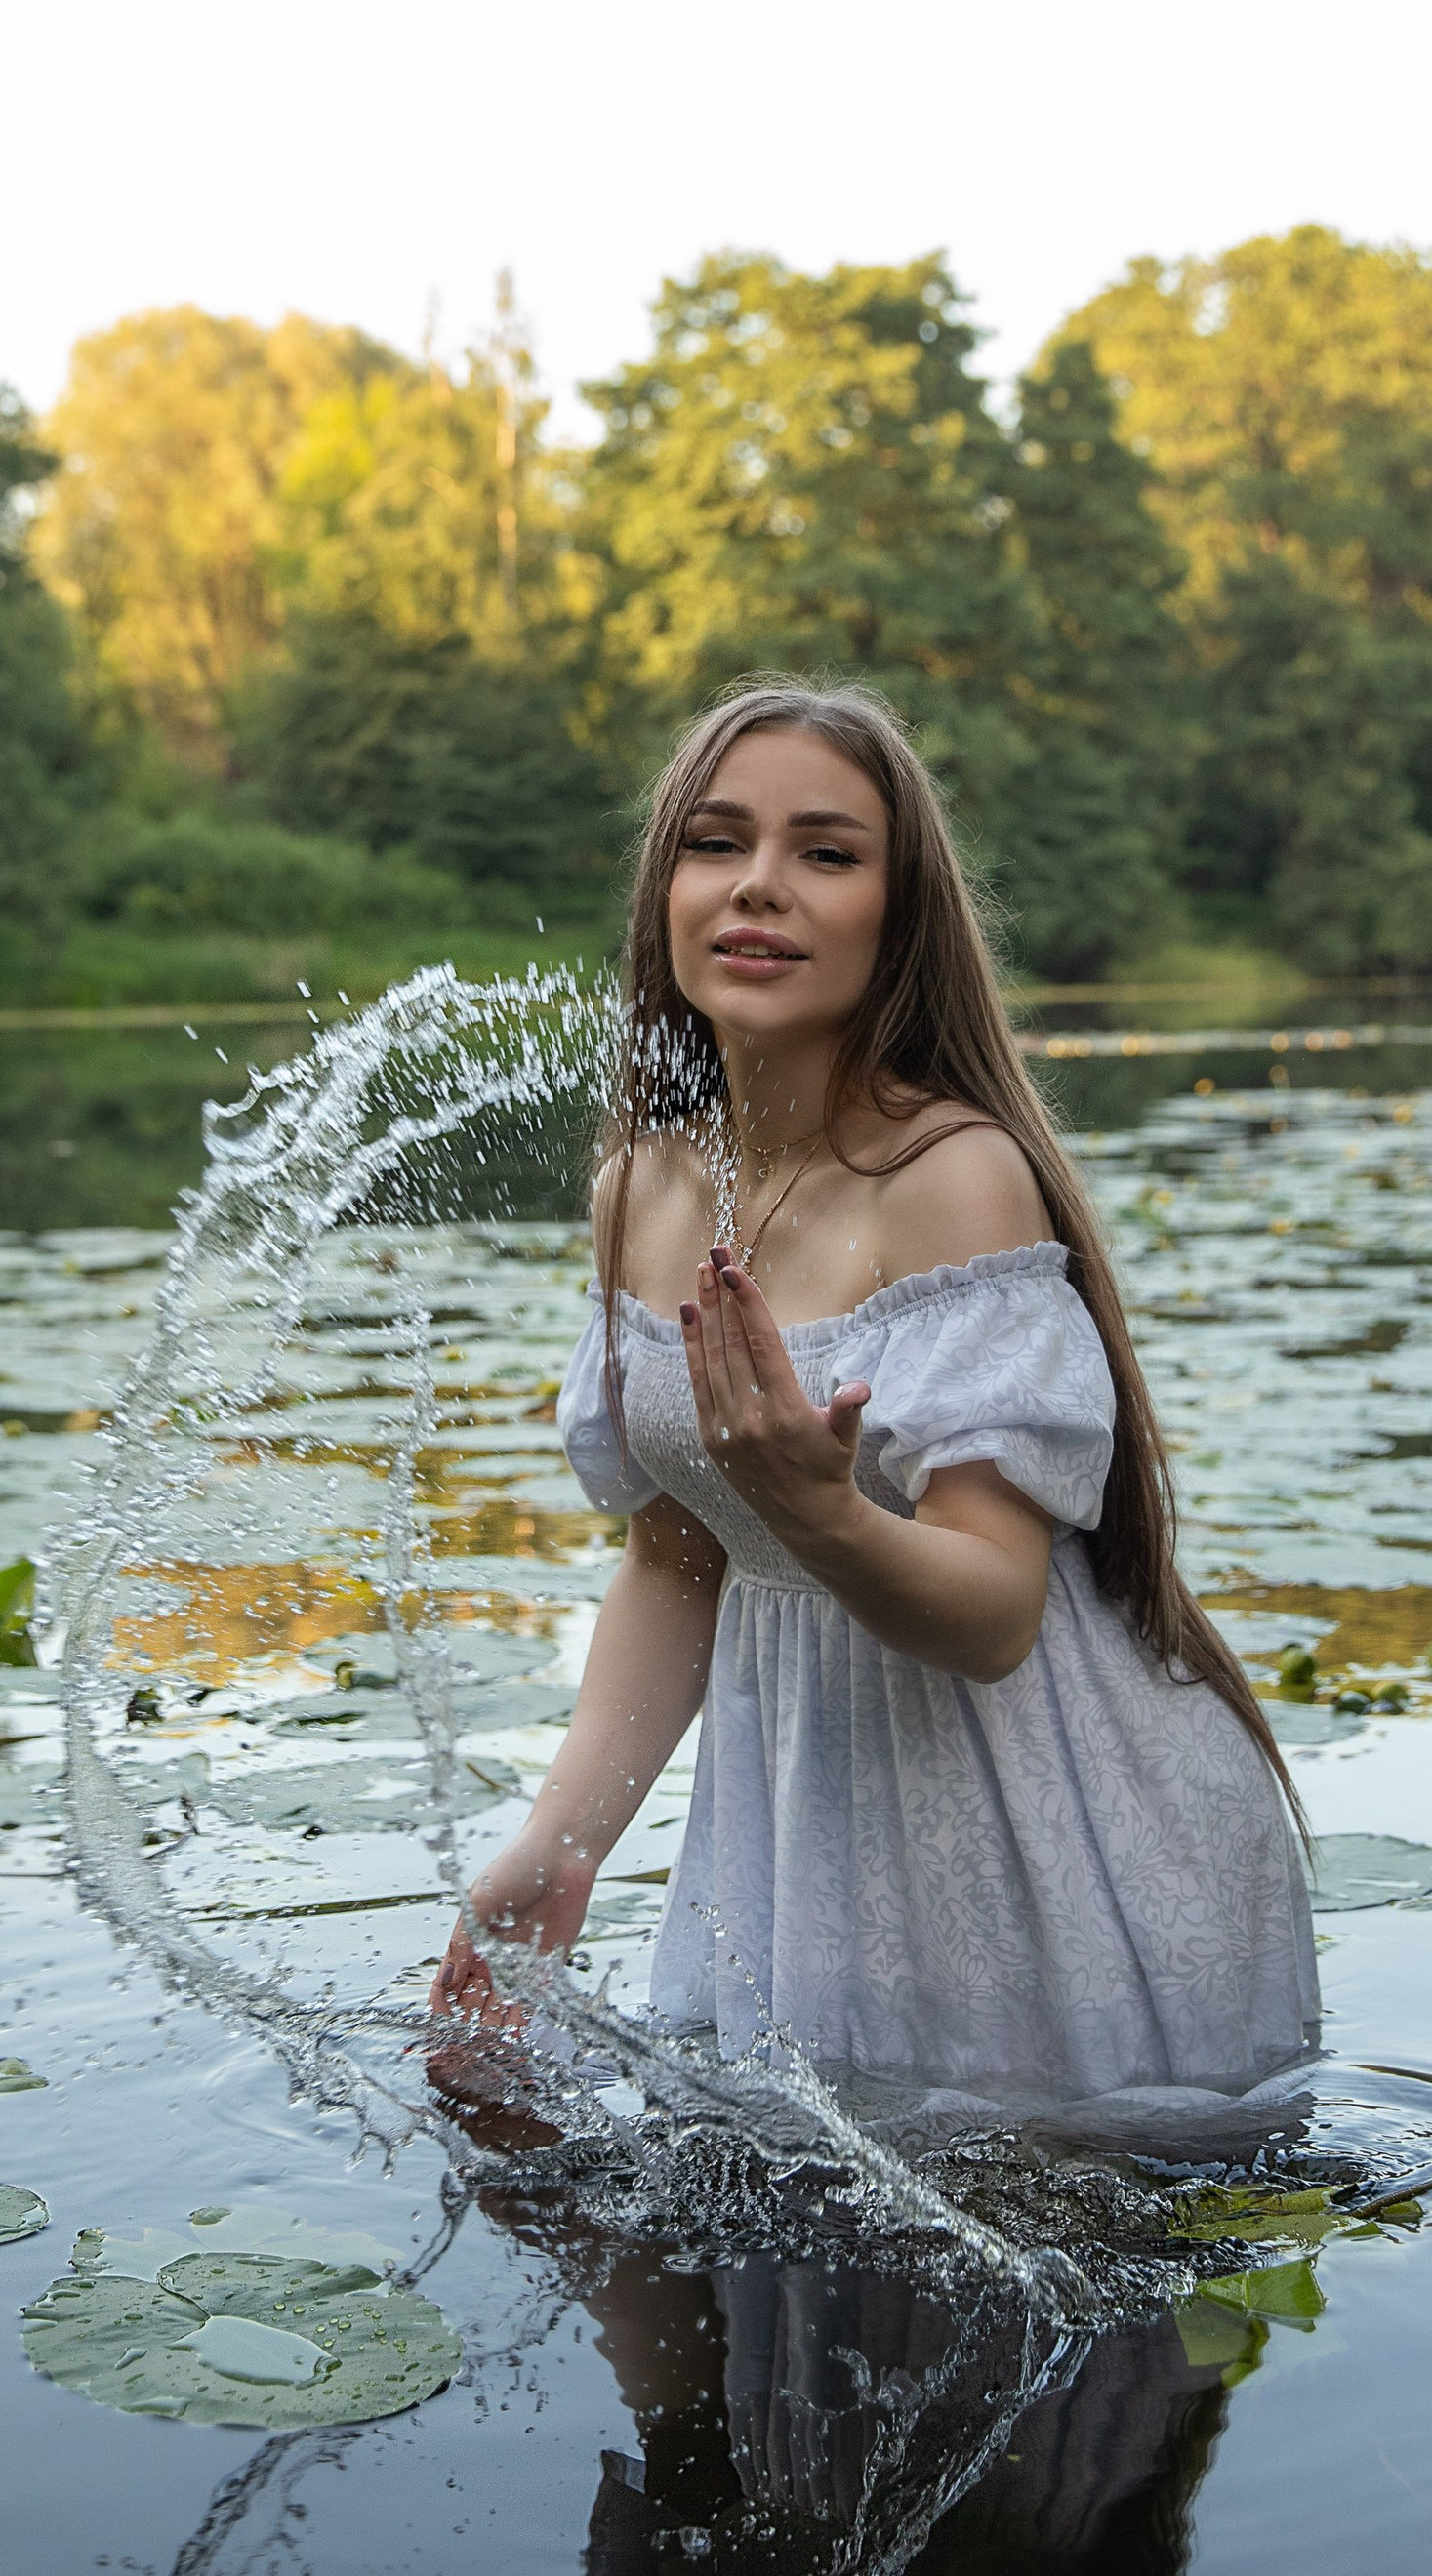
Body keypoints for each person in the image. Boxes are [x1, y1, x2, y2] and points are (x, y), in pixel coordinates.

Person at [430, 677, 1317, 2106]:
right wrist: (567, 1838)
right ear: (665, 888)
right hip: (800, 1816)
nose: (759, 886)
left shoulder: (950, 1179)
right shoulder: (641, 1191)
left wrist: (828, 1516)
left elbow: (995, 1615)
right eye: (716, 844)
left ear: (898, 917)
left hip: (1031, 1826)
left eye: (826, 853)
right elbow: (679, 1553)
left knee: (1020, 2240)